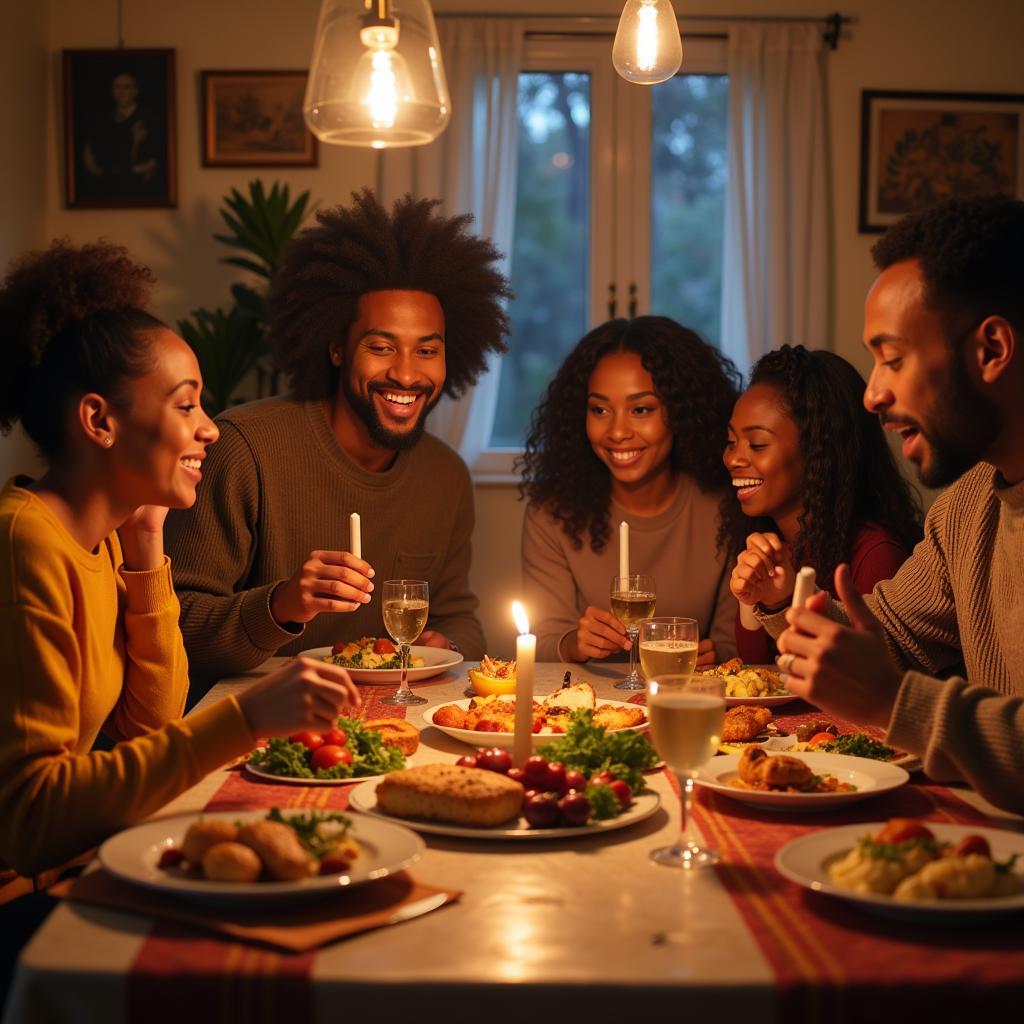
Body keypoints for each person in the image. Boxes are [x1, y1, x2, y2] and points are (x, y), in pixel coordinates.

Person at [0, 241, 360, 886]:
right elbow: (31, 821)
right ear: (99, 420)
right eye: (186, 404)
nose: (210, 428)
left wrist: (145, 549)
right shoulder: (25, 546)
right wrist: (246, 719)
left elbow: (152, 728)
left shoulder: (105, 539)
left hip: (74, 864)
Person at [750, 194, 1024, 812]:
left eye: (892, 359)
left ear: (991, 350)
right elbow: (888, 637)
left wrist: (894, 702)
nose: (872, 394)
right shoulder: (967, 508)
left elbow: (888, 683)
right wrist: (787, 609)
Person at [165, 190, 511, 680]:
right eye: (381, 346)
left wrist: (447, 642)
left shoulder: (445, 474)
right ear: (335, 348)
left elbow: (459, 616)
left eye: (427, 351)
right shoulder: (244, 448)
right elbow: (174, 627)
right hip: (257, 721)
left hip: (391, 718)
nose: (407, 375)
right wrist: (281, 605)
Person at [520, 316, 740, 664]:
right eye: (600, 409)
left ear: (680, 412)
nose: (617, 431)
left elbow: (737, 645)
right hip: (588, 710)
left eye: (641, 409)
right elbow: (542, 642)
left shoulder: (726, 508)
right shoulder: (553, 514)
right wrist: (574, 643)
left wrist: (717, 655)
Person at [722, 345, 921, 662]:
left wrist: (783, 601)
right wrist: (753, 600)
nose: (733, 458)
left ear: (818, 453)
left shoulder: (875, 554)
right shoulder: (768, 543)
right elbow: (757, 670)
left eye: (757, 444)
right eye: (731, 442)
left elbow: (868, 674)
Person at [79, 71, 164, 202]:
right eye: (117, 87)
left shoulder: (149, 119)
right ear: (112, 91)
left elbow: (150, 163)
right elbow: (97, 159)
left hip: (140, 192)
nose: (121, 92)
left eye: (127, 87)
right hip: (107, 190)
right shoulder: (104, 121)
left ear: (135, 91)